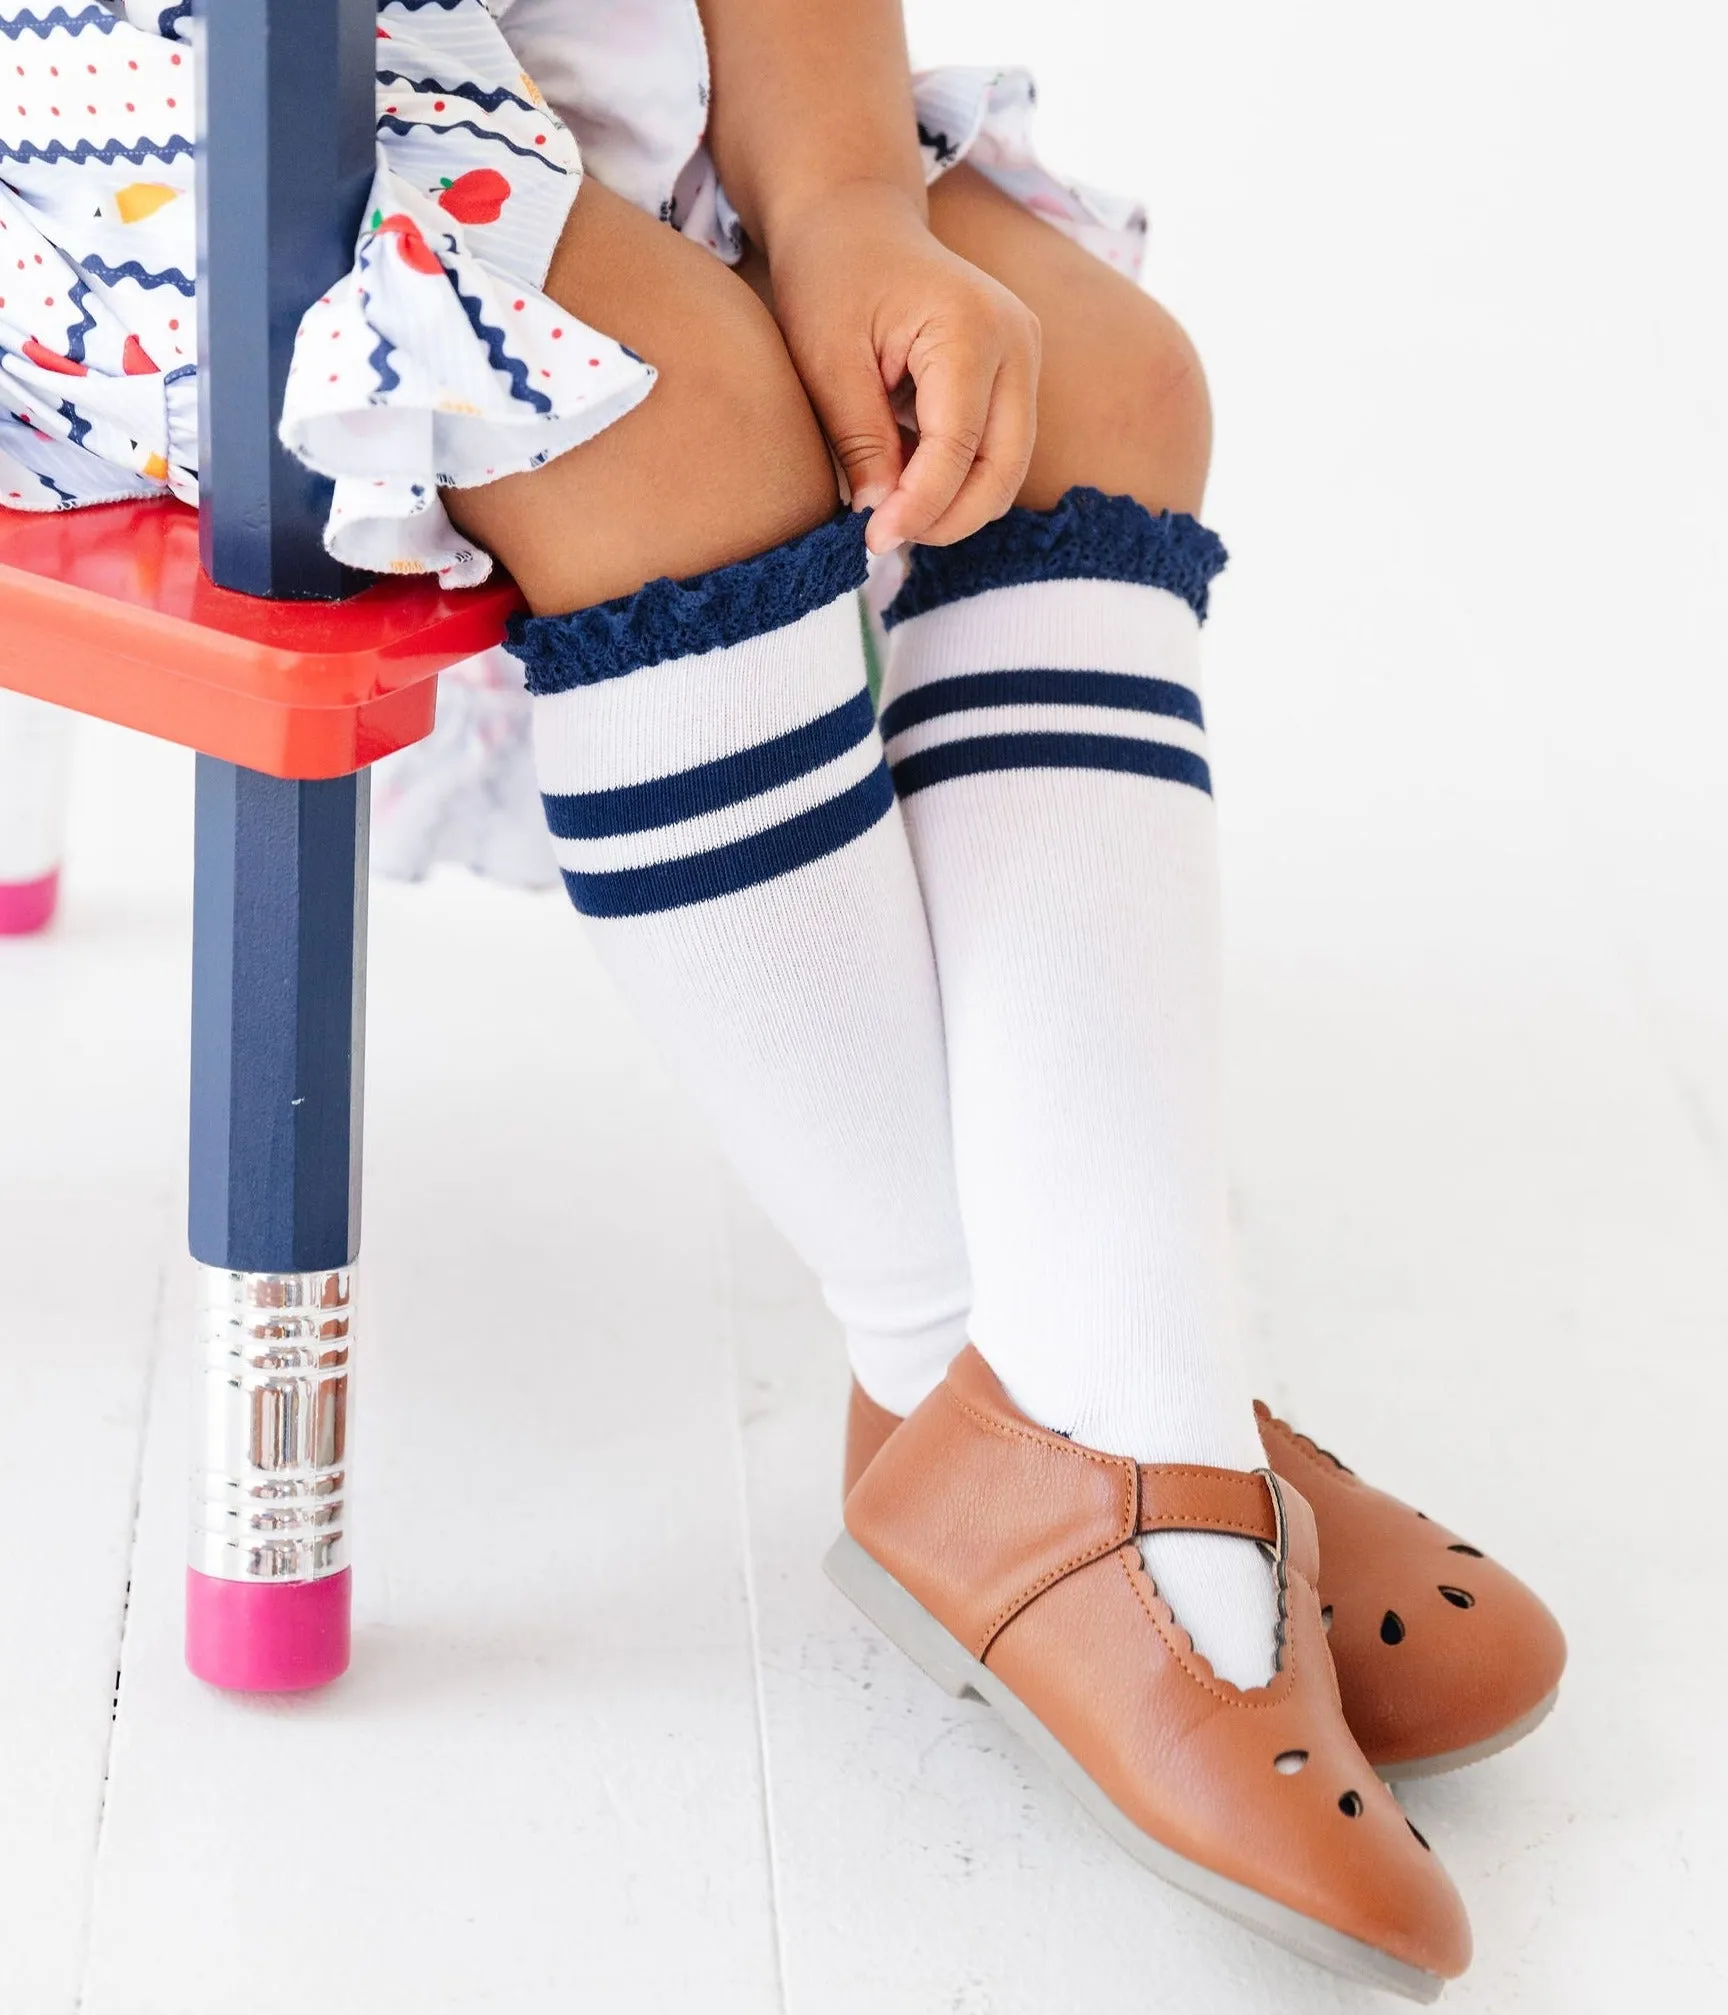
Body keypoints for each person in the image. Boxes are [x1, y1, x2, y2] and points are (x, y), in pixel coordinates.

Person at [0, 0, 1564, 1992]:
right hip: (134, 101)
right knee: (663, 405)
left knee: (1082, 376)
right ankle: (1067, 1413)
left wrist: (829, 191)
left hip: (540, 65)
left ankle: (1066, 1408)